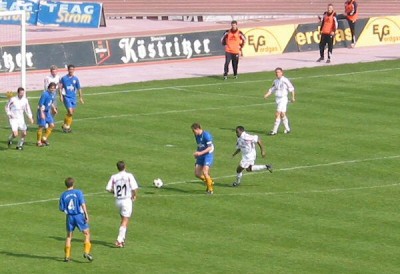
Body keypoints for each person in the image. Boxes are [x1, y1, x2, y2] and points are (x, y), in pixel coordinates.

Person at [59, 177, 93, 262]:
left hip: (69, 217)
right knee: (87, 233)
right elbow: (83, 204)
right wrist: (86, 214)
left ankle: (67, 256)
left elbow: (62, 208)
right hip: (78, 216)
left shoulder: (63, 195)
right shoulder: (78, 192)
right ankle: (86, 252)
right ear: (73, 184)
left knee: (69, 236)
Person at [106, 160, 139, 248]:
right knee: (125, 220)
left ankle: (122, 239)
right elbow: (134, 187)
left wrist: (115, 192)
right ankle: (119, 240)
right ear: (125, 166)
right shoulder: (129, 176)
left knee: (123, 219)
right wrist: (134, 195)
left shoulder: (114, 177)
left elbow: (108, 188)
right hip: (126, 200)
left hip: (118, 201)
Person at [263, 67, 296, 135]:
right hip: (278, 99)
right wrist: (267, 94)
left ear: (282, 72)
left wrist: (293, 98)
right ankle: (287, 129)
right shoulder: (275, 81)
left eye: (278, 72)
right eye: (276, 72)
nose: (277, 73)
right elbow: (272, 89)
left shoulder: (285, 80)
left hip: (283, 99)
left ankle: (274, 131)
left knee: (277, 113)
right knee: (282, 114)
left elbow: (291, 88)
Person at [191, 123, 215, 194]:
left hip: (208, 155)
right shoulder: (196, 136)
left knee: (205, 172)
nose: (193, 132)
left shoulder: (206, 135)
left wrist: (200, 153)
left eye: (193, 130)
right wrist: (197, 153)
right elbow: (199, 145)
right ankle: (209, 181)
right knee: (197, 173)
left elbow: (209, 147)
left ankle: (210, 190)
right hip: (201, 154)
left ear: (197, 129)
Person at [59, 64, 84, 133]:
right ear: (68, 70)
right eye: (70, 69)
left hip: (73, 97)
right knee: (70, 112)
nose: (71, 71)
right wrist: (60, 96)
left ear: (74, 70)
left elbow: (79, 88)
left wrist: (80, 97)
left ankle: (65, 125)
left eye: (72, 69)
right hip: (66, 97)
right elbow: (60, 87)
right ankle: (67, 126)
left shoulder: (75, 79)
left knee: (71, 113)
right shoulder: (64, 78)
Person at [36, 82, 58, 147]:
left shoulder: (53, 94)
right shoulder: (45, 94)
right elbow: (40, 105)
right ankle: (38, 142)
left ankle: (44, 138)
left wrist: (54, 108)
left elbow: (50, 102)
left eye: (54, 88)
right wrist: (42, 113)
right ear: (48, 88)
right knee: (41, 127)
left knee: (52, 125)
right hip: (42, 111)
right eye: (51, 88)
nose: (53, 90)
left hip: (47, 112)